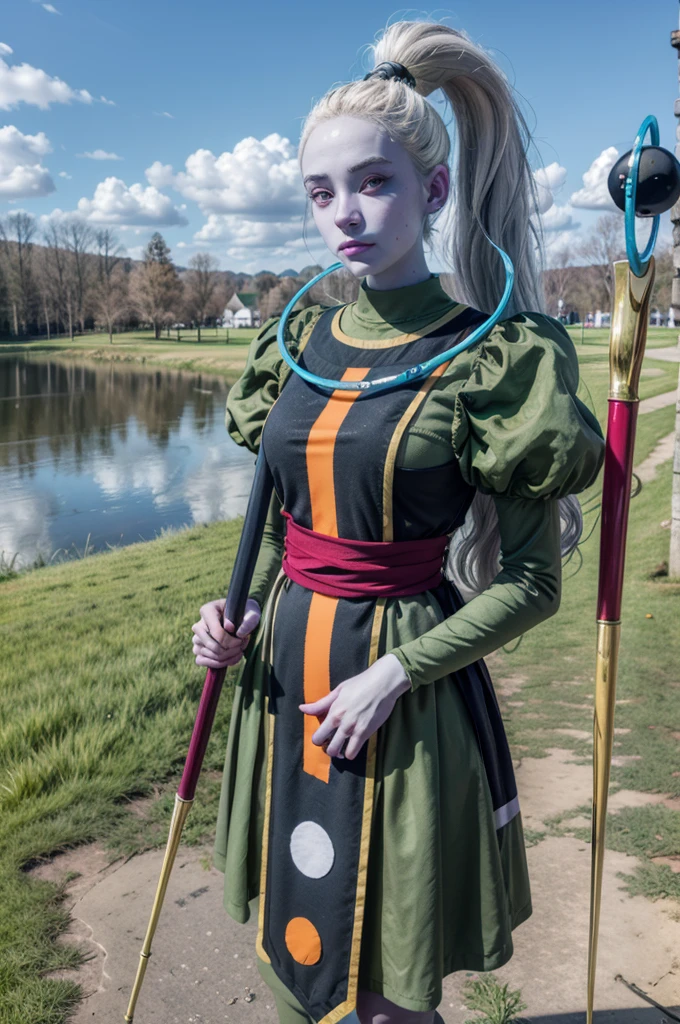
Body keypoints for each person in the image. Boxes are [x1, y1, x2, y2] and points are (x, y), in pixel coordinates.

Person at [191, 20, 605, 1024]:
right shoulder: (290, 348)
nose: (343, 215)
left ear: (431, 191)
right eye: (321, 192)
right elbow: (284, 527)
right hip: (280, 678)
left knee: (381, 989)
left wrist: (394, 672)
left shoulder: (490, 357)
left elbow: (532, 583)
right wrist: (225, 613)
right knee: (293, 952)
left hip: (397, 694)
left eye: (371, 184)